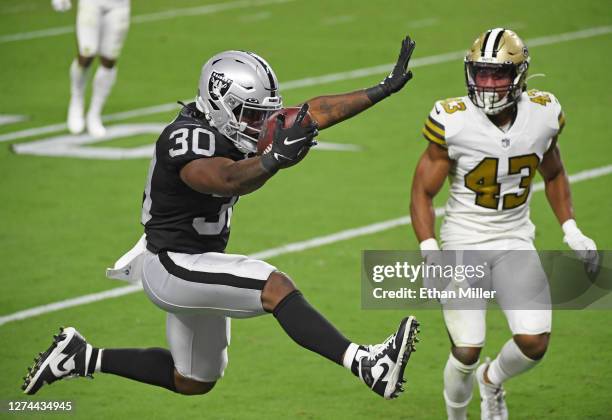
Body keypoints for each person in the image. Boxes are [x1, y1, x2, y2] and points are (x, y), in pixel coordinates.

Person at [23, 39, 422, 400]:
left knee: (194, 380)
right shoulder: (185, 137)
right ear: (220, 102)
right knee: (275, 286)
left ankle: (80, 357)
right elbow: (224, 178)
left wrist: (380, 90)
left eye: (261, 114)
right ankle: (367, 363)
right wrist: (272, 160)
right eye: (250, 113)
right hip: (173, 264)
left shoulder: (228, 122)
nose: (259, 124)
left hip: (194, 260)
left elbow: (308, 113)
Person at [410, 28, 598, 419]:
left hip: (514, 238)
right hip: (464, 240)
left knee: (534, 342)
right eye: (481, 73)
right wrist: (430, 251)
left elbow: (555, 172)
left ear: (519, 76)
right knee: (466, 348)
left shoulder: (544, 114)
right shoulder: (453, 120)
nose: (488, 83)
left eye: (498, 74)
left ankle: (492, 380)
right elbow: (422, 191)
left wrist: (572, 230)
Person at [51, 0, 131, 137]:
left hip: (119, 5)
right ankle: (77, 100)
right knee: (87, 54)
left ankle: (94, 113)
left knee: (109, 59)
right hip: (92, 3)